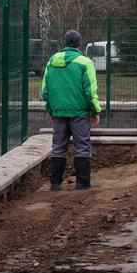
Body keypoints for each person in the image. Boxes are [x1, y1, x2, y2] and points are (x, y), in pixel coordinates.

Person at [42, 30, 101, 191]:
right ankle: (82, 184)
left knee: (58, 147)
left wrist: (51, 110)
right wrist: (95, 111)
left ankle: (55, 184)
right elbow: (90, 91)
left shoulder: (51, 61)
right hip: (80, 113)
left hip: (58, 112)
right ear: (79, 43)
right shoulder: (85, 62)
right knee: (82, 146)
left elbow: (45, 91)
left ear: (65, 43)